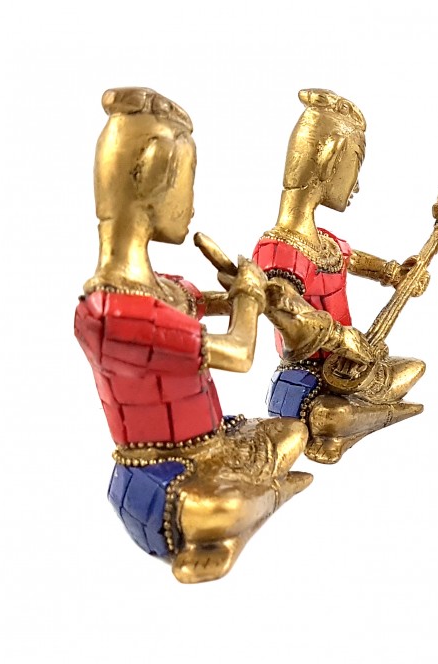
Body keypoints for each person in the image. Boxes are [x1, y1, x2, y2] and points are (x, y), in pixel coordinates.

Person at [75, 87, 311, 583]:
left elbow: (208, 304)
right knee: (216, 507)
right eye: (187, 184)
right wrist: (248, 299)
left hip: (214, 444)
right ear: (153, 178)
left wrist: (244, 291)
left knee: (293, 431)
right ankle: (246, 514)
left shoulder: (161, 289)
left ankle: (255, 503)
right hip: (159, 480)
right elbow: (239, 353)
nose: (192, 204)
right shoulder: (112, 314)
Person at [253, 89, 428, 464]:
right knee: (331, 415)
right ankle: (369, 419)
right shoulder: (279, 249)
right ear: (331, 158)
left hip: (348, 369)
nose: (357, 185)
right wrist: (341, 337)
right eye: (355, 166)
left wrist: (395, 273)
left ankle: (361, 417)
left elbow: (358, 260)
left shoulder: (326, 243)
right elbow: (288, 316)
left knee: (413, 367)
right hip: (302, 379)